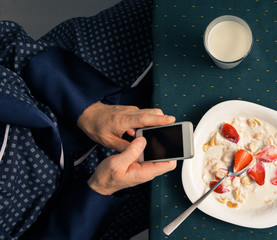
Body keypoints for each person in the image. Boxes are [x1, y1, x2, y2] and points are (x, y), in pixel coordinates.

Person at [0, 0, 176, 239]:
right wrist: (101, 189)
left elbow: (5, 38)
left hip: (62, 74)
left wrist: (87, 109)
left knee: (181, 19)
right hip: (82, 206)